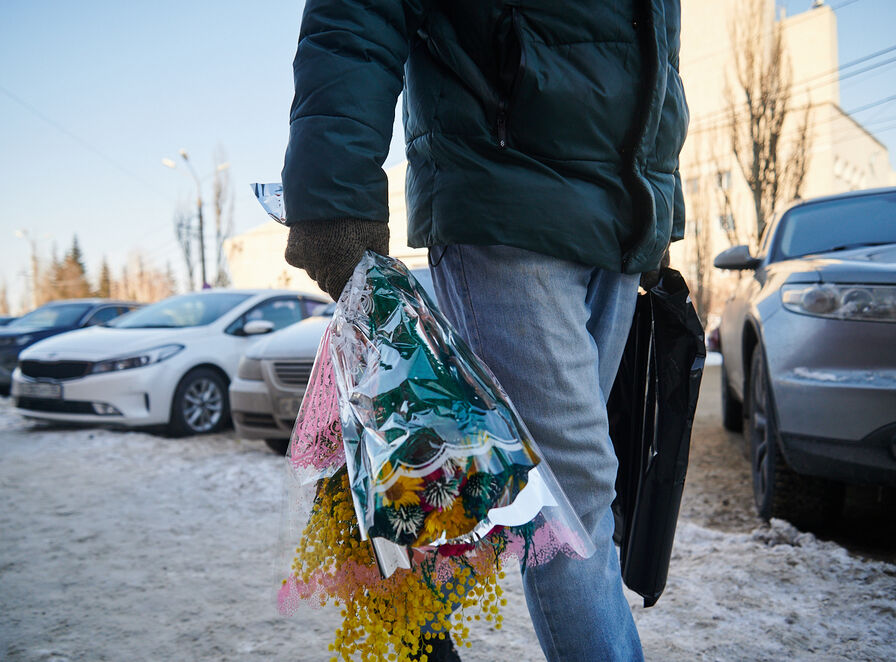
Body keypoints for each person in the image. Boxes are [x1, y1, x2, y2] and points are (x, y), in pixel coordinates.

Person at [281, 2, 688, 660]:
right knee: (573, 495)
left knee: (542, 490)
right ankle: (406, 588)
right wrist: (332, 199)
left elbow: (653, 46)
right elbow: (356, 13)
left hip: (618, 219)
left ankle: (408, 594)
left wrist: (658, 199)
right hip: (505, 190)